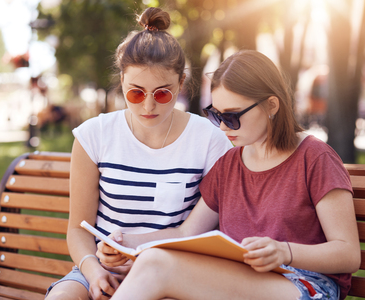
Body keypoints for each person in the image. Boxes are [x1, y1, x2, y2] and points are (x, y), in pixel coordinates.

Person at [97, 50, 361, 300]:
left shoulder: (315, 158)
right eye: (216, 114)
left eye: (233, 116)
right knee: (151, 263)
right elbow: (186, 232)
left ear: (271, 105)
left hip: (306, 285)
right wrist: (123, 243)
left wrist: (285, 252)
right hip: (245, 281)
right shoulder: (230, 164)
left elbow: (348, 254)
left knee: (157, 265)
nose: (223, 126)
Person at [44, 7, 232, 300]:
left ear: (181, 83)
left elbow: (205, 230)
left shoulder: (208, 139)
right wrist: (94, 273)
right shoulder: (94, 135)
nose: (148, 106)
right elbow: (78, 229)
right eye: (136, 93)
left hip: (172, 273)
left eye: (162, 93)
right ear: (122, 82)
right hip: (101, 267)